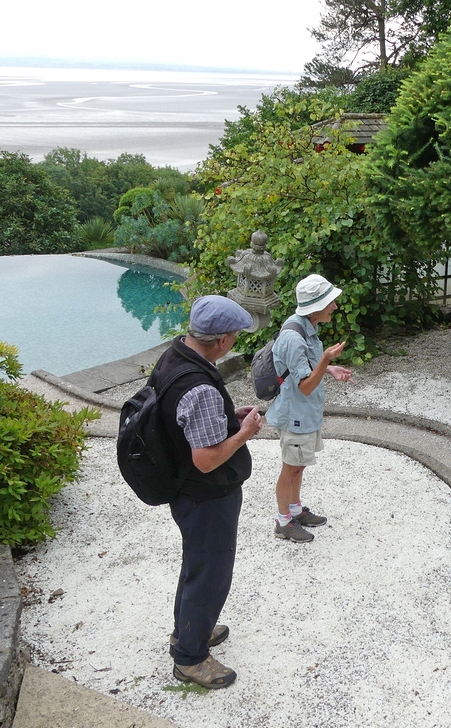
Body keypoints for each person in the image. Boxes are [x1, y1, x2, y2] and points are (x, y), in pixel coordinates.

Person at [152, 295, 263, 689]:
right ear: (222, 341)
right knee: (210, 574)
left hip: (186, 491)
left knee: (196, 566)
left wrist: (225, 419)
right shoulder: (200, 387)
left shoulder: (175, 357)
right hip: (205, 494)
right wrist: (245, 433)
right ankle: (190, 659)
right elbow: (206, 460)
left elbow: (185, 423)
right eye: (234, 336)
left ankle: (187, 633)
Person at [265, 274, 354, 543]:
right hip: (296, 415)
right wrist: (327, 357)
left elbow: (303, 369)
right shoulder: (294, 336)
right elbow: (304, 386)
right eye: (331, 303)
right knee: (290, 468)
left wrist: (329, 368)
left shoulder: (306, 327)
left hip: (305, 414)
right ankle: (283, 522)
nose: (335, 307)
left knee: (299, 466)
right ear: (316, 306)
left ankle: (295, 510)